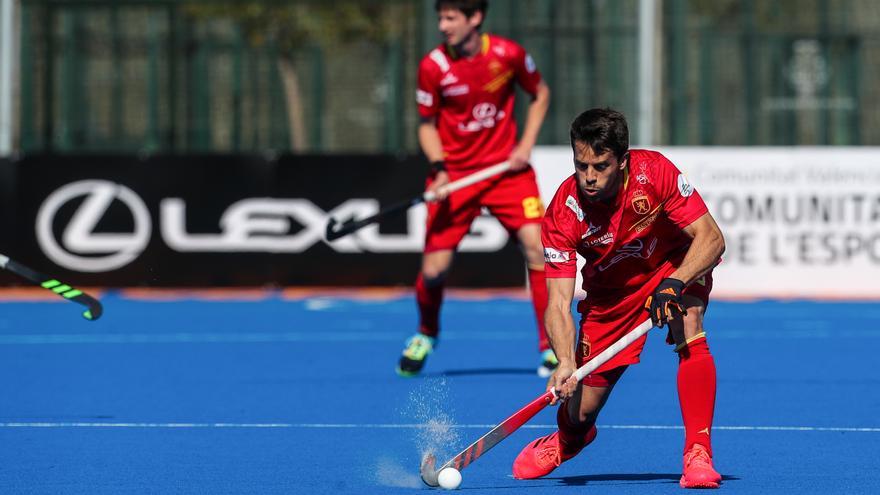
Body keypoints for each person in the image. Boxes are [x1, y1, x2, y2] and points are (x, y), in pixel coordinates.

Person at [511, 108, 726, 489]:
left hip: (671, 266)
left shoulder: (654, 172)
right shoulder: (564, 212)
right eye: (581, 165)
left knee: (689, 324)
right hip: (611, 297)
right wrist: (563, 362)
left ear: (623, 161)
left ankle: (698, 453)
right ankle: (567, 440)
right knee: (582, 409)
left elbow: (711, 238)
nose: (589, 177)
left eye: (601, 165)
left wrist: (675, 282)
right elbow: (557, 303)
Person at [396, 0, 554, 377]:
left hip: (506, 173)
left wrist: (525, 145)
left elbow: (541, 94)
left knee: (539, 247)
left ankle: (551, 346)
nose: (443, 26)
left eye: (451, 18)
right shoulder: (433, 67)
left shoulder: (507, 54)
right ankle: (426, 333)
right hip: (457, 177)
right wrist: (439, 170)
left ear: (475, 19)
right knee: (434, 271)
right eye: (440, 18)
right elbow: (426, 124)